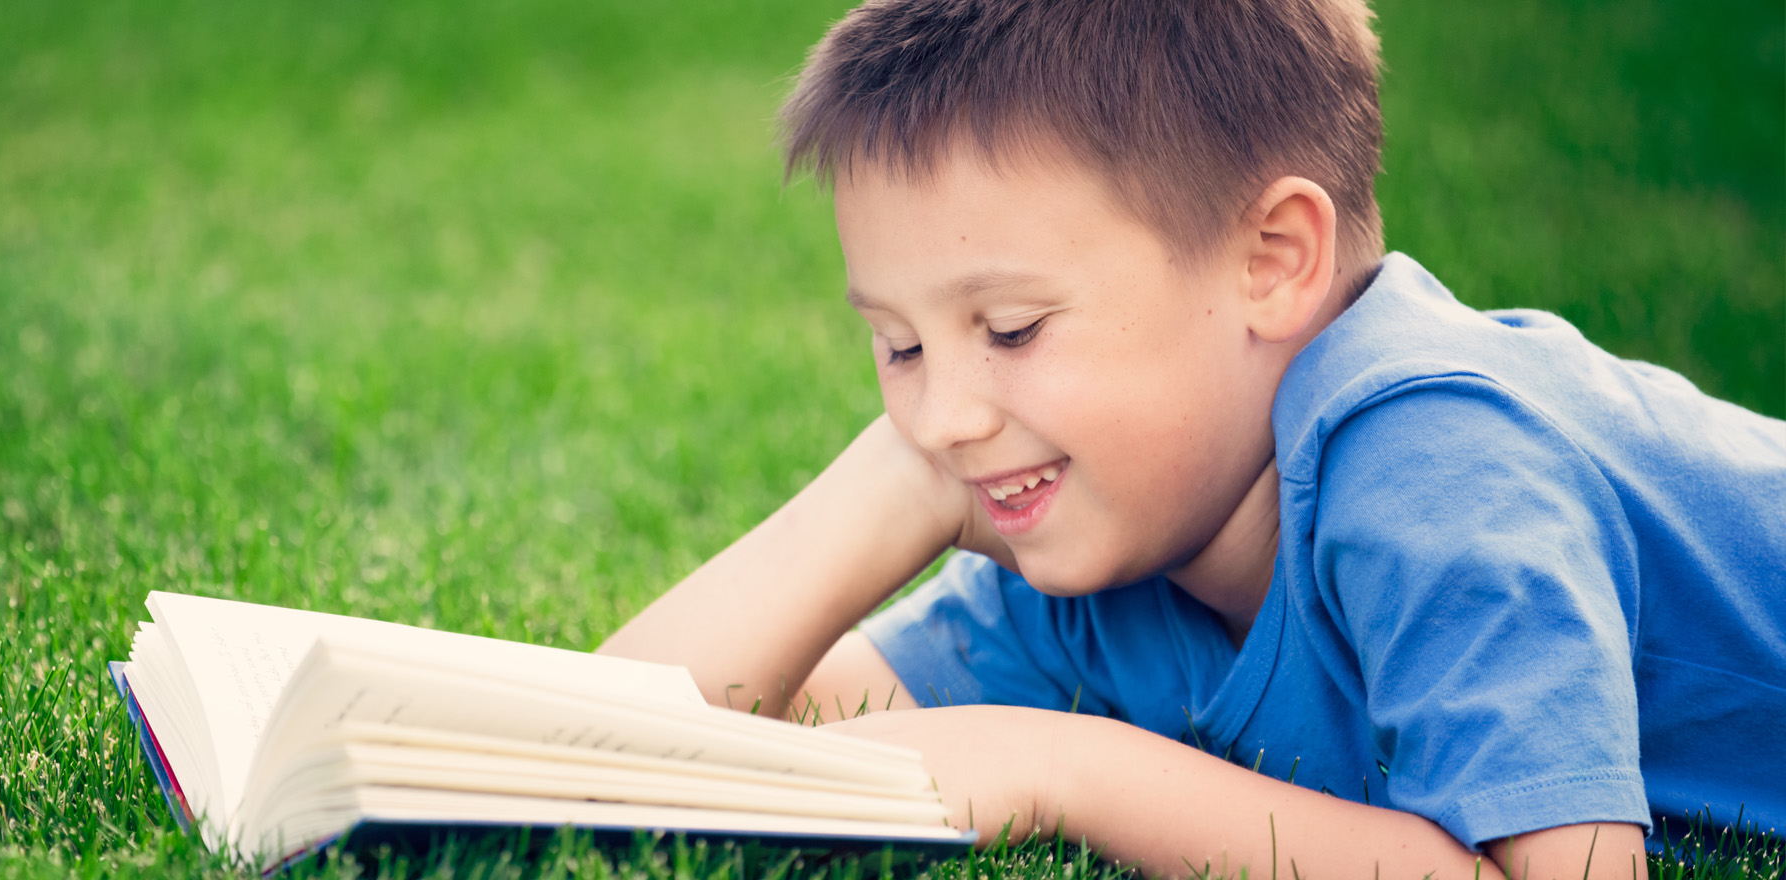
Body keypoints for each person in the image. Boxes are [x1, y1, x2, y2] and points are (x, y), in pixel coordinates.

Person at [594, 1, 1786, 878]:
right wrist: (889, 484)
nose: (944, 412)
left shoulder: (1439, 463)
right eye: (900, 346)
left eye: (1008, 328)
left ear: (1271, 262)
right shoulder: (1105, 522)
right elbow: (626, 730)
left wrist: (1067, 768)